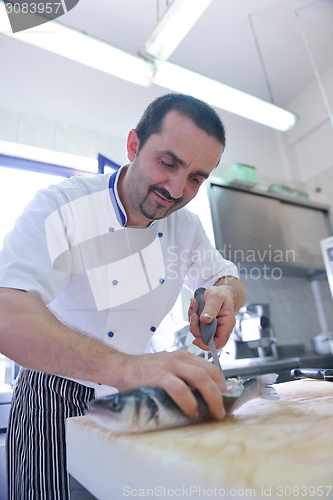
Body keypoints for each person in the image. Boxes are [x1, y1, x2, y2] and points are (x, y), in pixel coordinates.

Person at [0, 93, 246, 499]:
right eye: (168, 163)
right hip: (52, 399)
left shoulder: (185, 227)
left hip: (132, 402)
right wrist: (130, 369)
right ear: (133, 145)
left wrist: (224, 294)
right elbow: (7, 311)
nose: (176, 188)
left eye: (197, 178)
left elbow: (227, 277)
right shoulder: (63, 205)